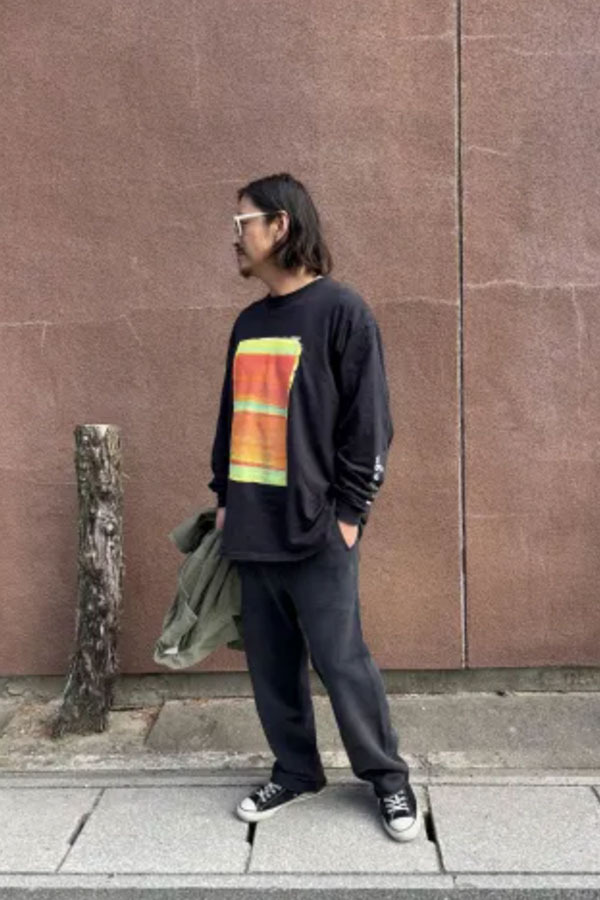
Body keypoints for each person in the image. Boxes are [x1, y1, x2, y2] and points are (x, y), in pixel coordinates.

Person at [208, 172, 422, 842]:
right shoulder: (248, 323)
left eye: (243, 223)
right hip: (252, 527)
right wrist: (224, 498)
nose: (235, 237)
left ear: (281, 225)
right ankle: (296, 771)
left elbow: (370, 424)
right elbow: (233, 418)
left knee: (341, 661)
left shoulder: (342, 312)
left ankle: (388, 779)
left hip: (318, 529)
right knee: (270, 666)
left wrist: (350, 515)